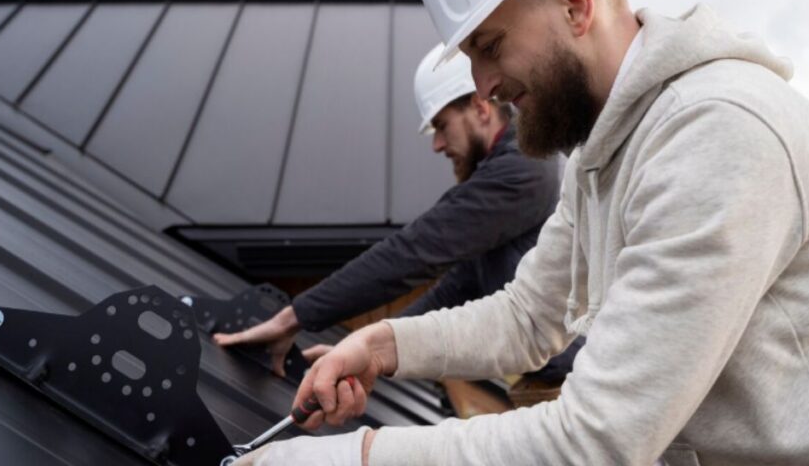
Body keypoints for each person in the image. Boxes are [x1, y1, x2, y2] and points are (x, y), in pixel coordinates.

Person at [239, 0, 809, 464]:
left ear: (575, 6)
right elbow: (528, 316)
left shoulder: (716, 135)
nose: (482, 85)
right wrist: (384, 345)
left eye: (489, 46)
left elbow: (595, 443)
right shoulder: (603, 152)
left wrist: (351, 457)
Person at [214, 43, 564, 377]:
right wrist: (368, 347)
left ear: (480, 108)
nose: (437, 144)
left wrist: (292, 318)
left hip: (571, 378)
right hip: (550, 373)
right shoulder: (516, 165)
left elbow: (416, 250)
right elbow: (460, 285)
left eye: (442, 125)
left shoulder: (524, 169)